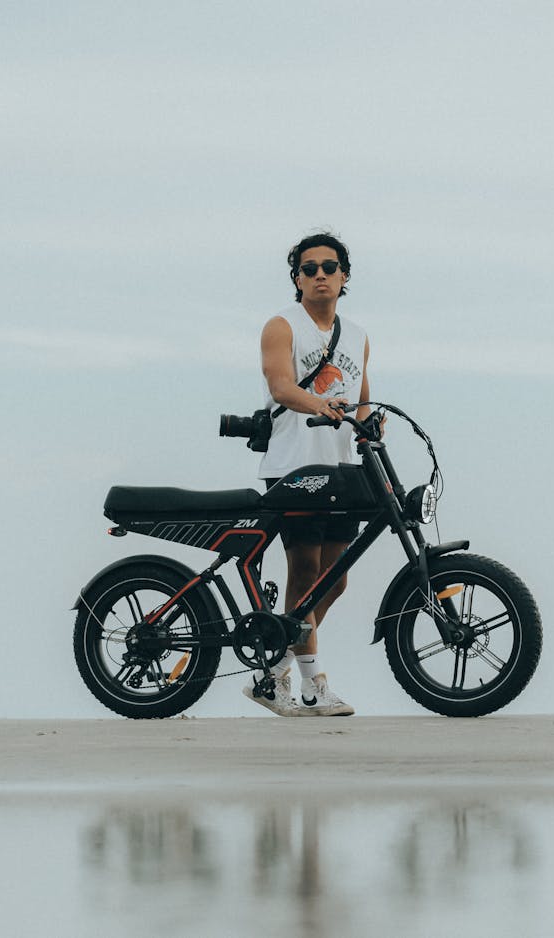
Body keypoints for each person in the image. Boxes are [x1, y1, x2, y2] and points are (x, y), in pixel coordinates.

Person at [242, 231, 373, 717]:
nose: (320, 275)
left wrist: (369, 423)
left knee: (333, 581)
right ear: (297, 278)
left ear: (345, 276)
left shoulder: (357, 335)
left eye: (329, 267)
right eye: (309, 268)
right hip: (295, 466)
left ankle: (274, 662)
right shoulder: (282, 326)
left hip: (340, 467)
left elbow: (361, 398)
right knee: (305, 570)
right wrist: (319, 403)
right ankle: (313, 684)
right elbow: (279, 386)